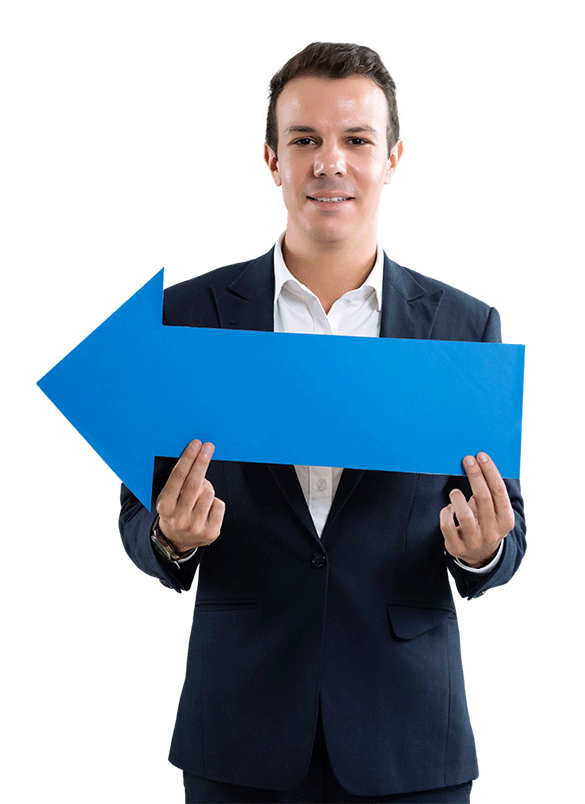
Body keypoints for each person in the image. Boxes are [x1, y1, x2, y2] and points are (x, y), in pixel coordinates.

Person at [119, 42, 526, 804]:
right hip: (238, 729)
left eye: (356, 140)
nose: (328, 162)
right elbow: (136, 516)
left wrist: (481, 550)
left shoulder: (464, 330)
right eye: (303, 139)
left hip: (409, 739)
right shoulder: (188, 320)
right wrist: (170, 535)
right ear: (271, 159)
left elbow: (507, 535)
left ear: (392, 157)